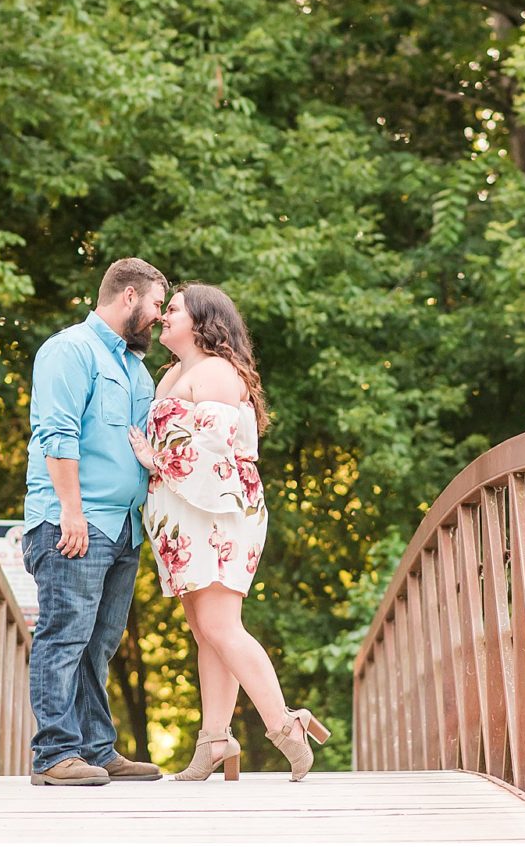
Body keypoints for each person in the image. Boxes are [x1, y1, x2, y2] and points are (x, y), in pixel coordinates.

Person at [128, 283, 330, 782]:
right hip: (182, 515)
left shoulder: (217, 371)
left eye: (172, 310)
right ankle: (215, 740)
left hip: (218, 511)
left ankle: (285, 726)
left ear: (201, 322)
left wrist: (154, 461)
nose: (163, 318)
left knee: (221, 626)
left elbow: (213, 449)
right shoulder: (174, 373)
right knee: (204, 632)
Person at [23, 257, 169, 786]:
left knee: (98, 644)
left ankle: (96, 748)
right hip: (73, 522)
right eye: (156, 304)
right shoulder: (70, 350)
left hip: (123, 527)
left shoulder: (134, 367)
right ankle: (54, 755)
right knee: (63, 637)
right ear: (129, 297)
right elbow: (56, 434)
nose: (159, 316)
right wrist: (71, 511)